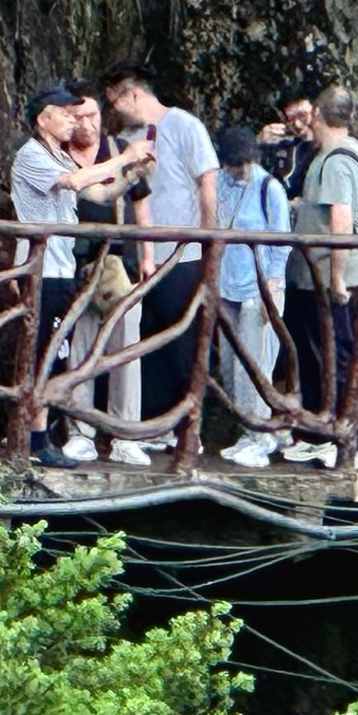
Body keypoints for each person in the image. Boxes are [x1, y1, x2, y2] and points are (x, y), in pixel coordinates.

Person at [101, 65, 218, 456]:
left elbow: (207, 183)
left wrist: (209, 240)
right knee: (146, 341)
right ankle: (153, 423)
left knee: (182, 339)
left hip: (182, 253)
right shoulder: (123, 141)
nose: (112, 108)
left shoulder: (184, 125)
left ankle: (189, 428)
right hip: (138, 257)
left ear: (133, 93)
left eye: (114, 99)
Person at [7, 84, 117, 466]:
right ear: (43, 119)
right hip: (39, 271)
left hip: (61, 268)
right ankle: (33, 439)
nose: (75, 120)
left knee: (54, 355)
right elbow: (73, 183)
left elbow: (99, 194)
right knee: (39, 354)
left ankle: (41, 435)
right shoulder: (32, 155)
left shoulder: (61, 157)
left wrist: (134, 173)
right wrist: (125, 158)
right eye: (67, 113)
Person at [281, 86, 358, 467]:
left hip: (326, 277)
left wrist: (337, 276)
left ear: (318, 114)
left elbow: (342, 218)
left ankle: (333, 433)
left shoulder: (337, 160)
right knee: (315, 352)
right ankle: (315, 429)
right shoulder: (346, 152)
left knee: (330, 353)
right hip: (313, 275)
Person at [59, 89, 146, 455]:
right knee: (80, 345)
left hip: (118, 263)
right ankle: (81, 432)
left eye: (93, 115)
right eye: (78, 116)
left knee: (126, 345)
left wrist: (148, 257)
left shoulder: (118, 147)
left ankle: (124, 432)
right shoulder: (56, 156)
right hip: (74, 264)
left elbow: (141, 204)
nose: (87, 123)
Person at [209, 125, 292, 468]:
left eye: (243, 164)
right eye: (232, 164)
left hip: (259, 289)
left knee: (254, 365)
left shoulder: (269, 187)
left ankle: (260, 436)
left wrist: (272, 282)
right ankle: (250, 430)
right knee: (229, 364)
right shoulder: (220, 183)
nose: (238, 170)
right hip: (227, 284)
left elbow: (282, 238)